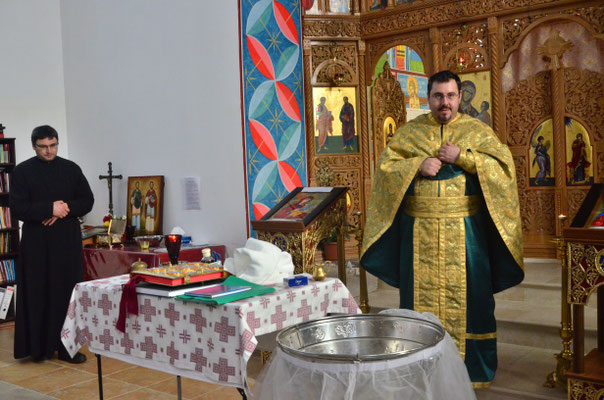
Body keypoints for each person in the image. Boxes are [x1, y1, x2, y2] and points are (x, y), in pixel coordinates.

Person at [360, 70, 524, 387]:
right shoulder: (409, 133)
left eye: (450, 96)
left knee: (473, 299)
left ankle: (472, 371)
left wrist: (464, 157)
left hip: (467, 238)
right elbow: (385, 169)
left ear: (460, 97)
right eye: (438, 96)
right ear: (428, 98)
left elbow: (504, 169)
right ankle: (420, 371)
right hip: (418, 236)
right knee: (416, 305)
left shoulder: (478, 131)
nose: (444, 103)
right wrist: (416, 165)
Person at [10, 125, 94, 363]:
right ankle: (38, 349)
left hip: (66, 243)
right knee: (38, 293)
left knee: (66, 294)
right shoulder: (23, 172)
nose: (49, 151)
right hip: (37, 244)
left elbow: (87, 201)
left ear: (57, 143)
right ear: (34, 146)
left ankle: (67, 349)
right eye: (43, 147)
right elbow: (17, 208)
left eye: (53, 145)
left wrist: (61, 211)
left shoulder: (71, 168)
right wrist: (48, 208)